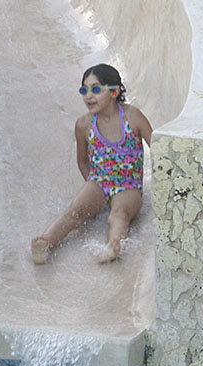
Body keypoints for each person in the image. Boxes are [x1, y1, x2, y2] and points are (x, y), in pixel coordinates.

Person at [31, 63, 152, 264]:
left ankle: (113, 245)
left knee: (119, 214)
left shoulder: (133, 117)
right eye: (84, 90)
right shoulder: (84, 125)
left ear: (114, 92)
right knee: (74, 211)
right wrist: (92, 189)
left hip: (128, 186)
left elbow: (158, 147)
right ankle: (45, 242)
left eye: (95, 89)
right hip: (99, 182)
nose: (88, 96)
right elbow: (82, 161)